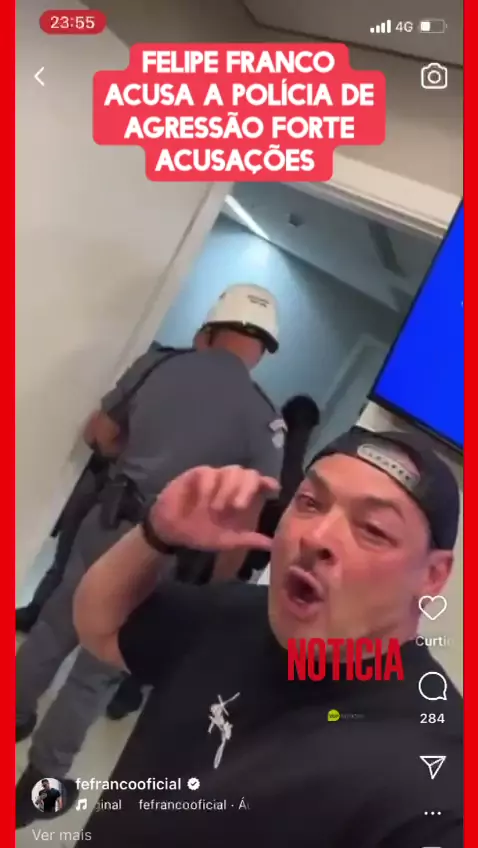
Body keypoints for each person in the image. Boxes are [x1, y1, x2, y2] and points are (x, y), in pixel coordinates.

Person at [69, 428, 460, 846]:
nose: (317, 536)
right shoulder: (233, 613)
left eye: (373, 529)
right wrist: (157, 534)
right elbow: (101, 627)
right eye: (310, 502)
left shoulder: (437, 774)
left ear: (432, 575)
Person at [15, 284, 285, 825]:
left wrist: (133, 456)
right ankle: (39, 785)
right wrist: (213, 593)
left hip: (106, 520)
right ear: (262, 349)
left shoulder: (158, 365)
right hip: (161, 557)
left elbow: (99, 433)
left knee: (52, 628)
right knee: (97, 671)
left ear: (208, 331)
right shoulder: (265, 420)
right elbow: (242, 526)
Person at [15, 333, 208, 634]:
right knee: (74, 563)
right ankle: (44, 616)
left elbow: (100, 432)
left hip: (118, 485)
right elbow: (99, 431)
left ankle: (46, 620)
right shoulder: (165, 372)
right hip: (118, 486)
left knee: (75, 564)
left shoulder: (159, 368)